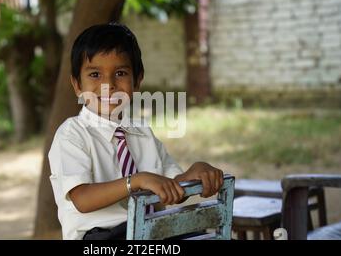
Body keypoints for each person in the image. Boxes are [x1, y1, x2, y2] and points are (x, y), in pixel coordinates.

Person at [48, 23, 224, 240]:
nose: (108, 85)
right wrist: (136, 181)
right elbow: (82, 199)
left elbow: (169, 190)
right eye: (95, 74)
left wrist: (193, 173)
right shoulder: (71, 134)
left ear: (137, 79)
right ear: (77, 85)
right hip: (102, 236)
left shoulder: (143, 134)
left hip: (152, 230)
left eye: (120, 73)